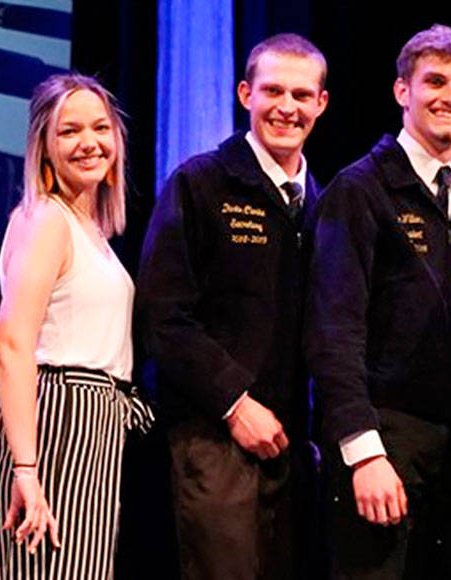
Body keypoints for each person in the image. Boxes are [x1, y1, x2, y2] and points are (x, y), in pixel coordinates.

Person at [306, 23, 451, 578]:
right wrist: (363, 451)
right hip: (383, 438)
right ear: (401, 91)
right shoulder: (359, 189)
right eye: (435, 81)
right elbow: (332, 330)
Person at [136, 33, 328, 579]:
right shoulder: (200, 183)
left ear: (321, 103)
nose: (286, 108)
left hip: (295, 447)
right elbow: (163, 315)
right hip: (214, 436)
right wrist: (234, 404)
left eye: (300, 94)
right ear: (245, 93)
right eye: (272, 91)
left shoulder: (325, 203)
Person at [0, 74, 151, 579]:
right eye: (69, 131)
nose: (89, 143)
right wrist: (26, 469)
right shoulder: (45, 220)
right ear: (43, 146)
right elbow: (12, 344)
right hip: (57, 421)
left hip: (94, 423)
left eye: (100, 128)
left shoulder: (89, 229)